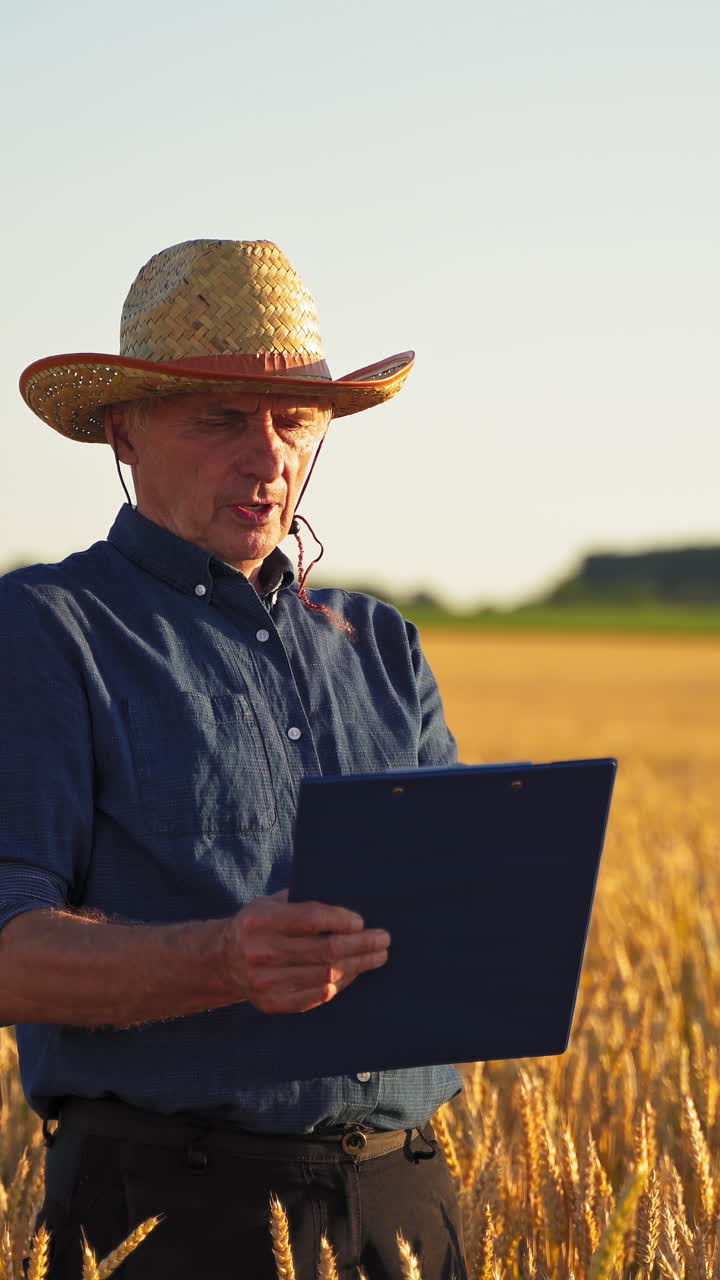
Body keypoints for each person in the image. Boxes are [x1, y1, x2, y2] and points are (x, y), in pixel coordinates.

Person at [1, 239, 467, 1279]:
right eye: (219, 420)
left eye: (296, 419)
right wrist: (222, 960)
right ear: (123, 432)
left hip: (408, 1202)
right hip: (172, 1215)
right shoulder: (45, 630)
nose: (269, 457)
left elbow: (456, 910)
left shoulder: (383, 644)